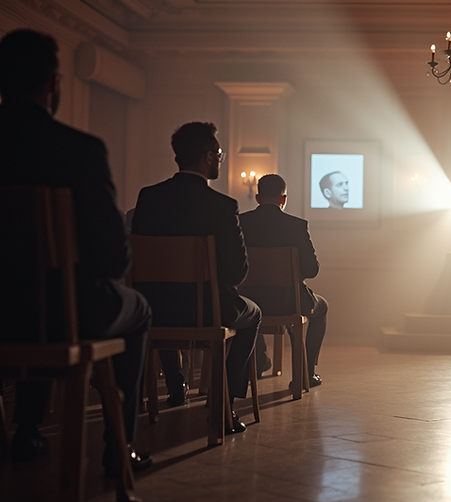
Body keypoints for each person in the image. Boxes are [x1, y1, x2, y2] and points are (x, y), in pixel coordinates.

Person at [0, 29, 152, 472]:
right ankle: (118, 447)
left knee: (38, 295)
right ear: (52, 84)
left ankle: (27, 430)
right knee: (136, 308)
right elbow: (112, 260)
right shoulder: (78, 150)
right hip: (62, 314)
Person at [131, 121, 260, 434]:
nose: (219, 158)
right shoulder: (223, 206)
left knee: (163, 299)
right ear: (208, 157)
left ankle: (175, 388)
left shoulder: (148, 198)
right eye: (219, 153)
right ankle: (223, 405)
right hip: (206, 311)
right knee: (253, 314)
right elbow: (236, 272)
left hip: (153, 311)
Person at [239, 174, 327, 387]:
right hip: (288, 302)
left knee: (253, 310)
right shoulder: (296, 225)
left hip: (247, 302)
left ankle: (259, 359)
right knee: (321, 307)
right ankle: (305, 373)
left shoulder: (240, 222)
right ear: (283, 199)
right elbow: (311, 269)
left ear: (258, 198)